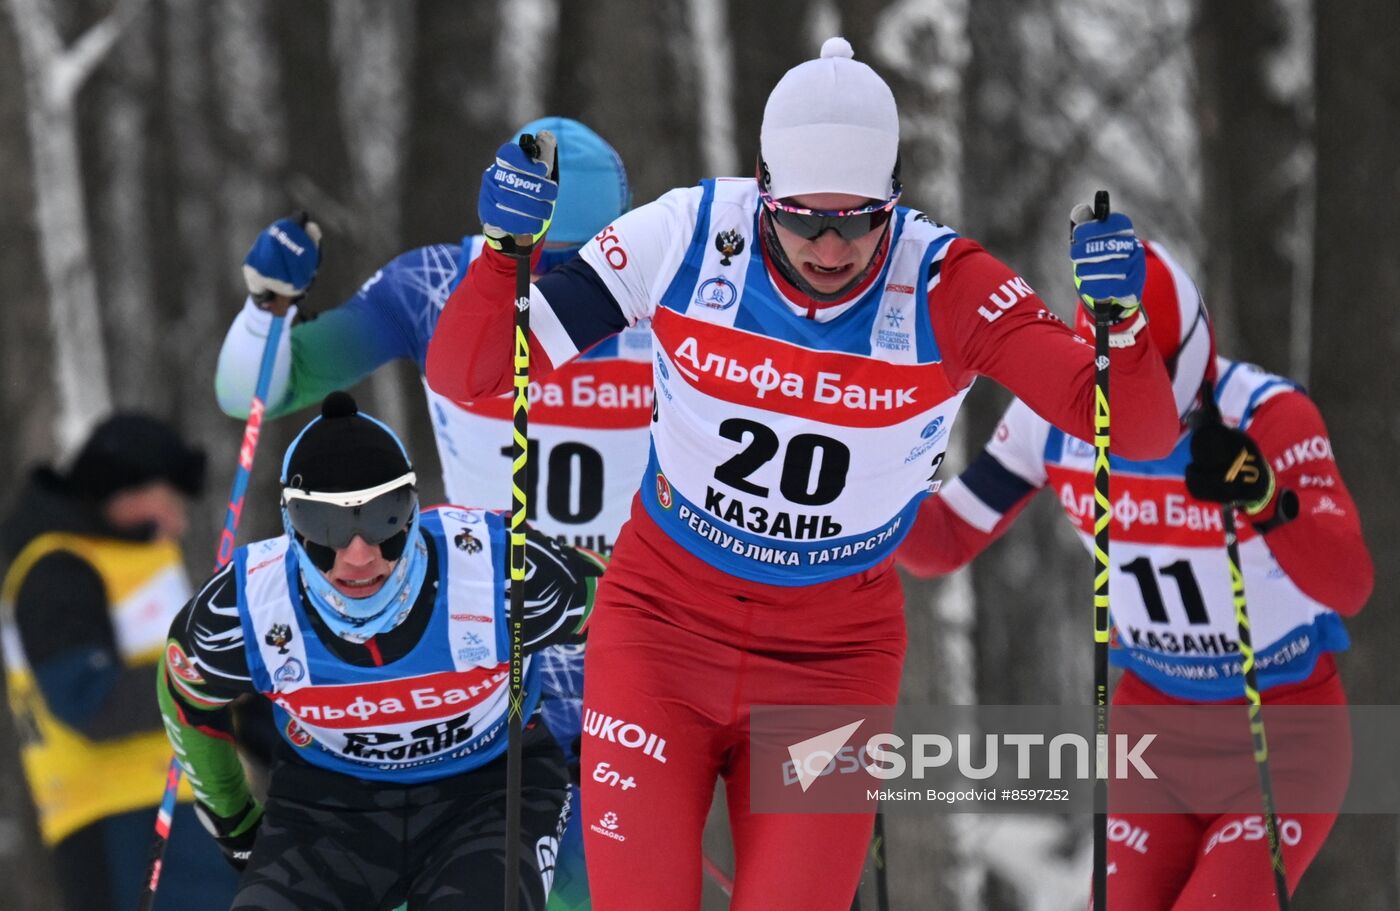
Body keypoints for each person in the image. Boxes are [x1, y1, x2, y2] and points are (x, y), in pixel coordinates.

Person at [425, 37, 1180, 910]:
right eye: (803, 218)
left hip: (832, 660)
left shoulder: (947, 284)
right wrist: (501, 256)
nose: (830, 247)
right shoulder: (686, 236)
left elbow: (1138, 431)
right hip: (661, 629)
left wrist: (1118, 325)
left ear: (895, 199)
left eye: (859, 219)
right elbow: (471, 373)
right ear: (762, 188)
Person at [214, 116, 638, 910]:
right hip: (488, 651)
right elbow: (255, 394)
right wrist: (266, 308)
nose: (563, 287)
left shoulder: (655, 286)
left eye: (587, 262)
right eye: (543, 260)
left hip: (627, 637)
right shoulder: (441, 284)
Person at [897, 230, 1373, 908]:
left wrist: (1267, 498)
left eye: (1177, 408)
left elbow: (1348, 584)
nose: (1157, 434)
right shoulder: (1054, 419)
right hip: (1152, 734)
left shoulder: (1267, 415)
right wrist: (869, 488)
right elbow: (941, 541)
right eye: (1130, 416)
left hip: (1282, 736)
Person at [159, 391, 606, 910]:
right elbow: (186, 699)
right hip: (326, 814)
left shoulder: (495, 569)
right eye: (325, 526)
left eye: (383, 518)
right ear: (290, 524)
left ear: (412, 508)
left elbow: (629, 612)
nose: (358, 553)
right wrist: (236, 829)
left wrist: (611, 745)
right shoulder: (249, 607)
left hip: (491, 795)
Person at [0, 413, 238, 910]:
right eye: (170, 503)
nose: (178, 523)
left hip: (187, 808)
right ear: (126, 491)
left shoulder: (139, 559)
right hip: (118, 821)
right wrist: (215, 674)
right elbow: (89, 701)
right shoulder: (56, 569)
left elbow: (221, 686)